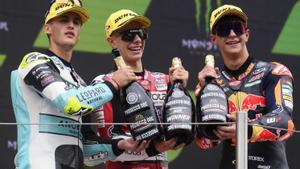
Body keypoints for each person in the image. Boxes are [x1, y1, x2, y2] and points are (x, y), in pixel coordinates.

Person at [10, 1, 149, 169]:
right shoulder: (34, 62)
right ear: (47, 28)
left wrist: (120, 145)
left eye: (76, 22)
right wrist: (113, 83)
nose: (71, 25)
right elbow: (69, 103)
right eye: (63, 20)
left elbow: (88, 152)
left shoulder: (79, 82)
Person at [195, 4, 295, 169]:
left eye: (237, 27)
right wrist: (204, 92)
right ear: (214, 39)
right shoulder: (211, 83)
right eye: (224, 29)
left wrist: (244, 129)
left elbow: (285, 123)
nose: (232, 34)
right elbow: (204, 142)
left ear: (246, 34)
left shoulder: (273, 72)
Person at [93, 9, 189, 169]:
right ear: (112, 41)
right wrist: (155, 147)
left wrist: (180, 91)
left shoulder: (164, 81)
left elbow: (182, 133)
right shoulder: (103, 84)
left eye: (141, 33)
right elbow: (107, 146)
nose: (137, 40)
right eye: (128, 35)